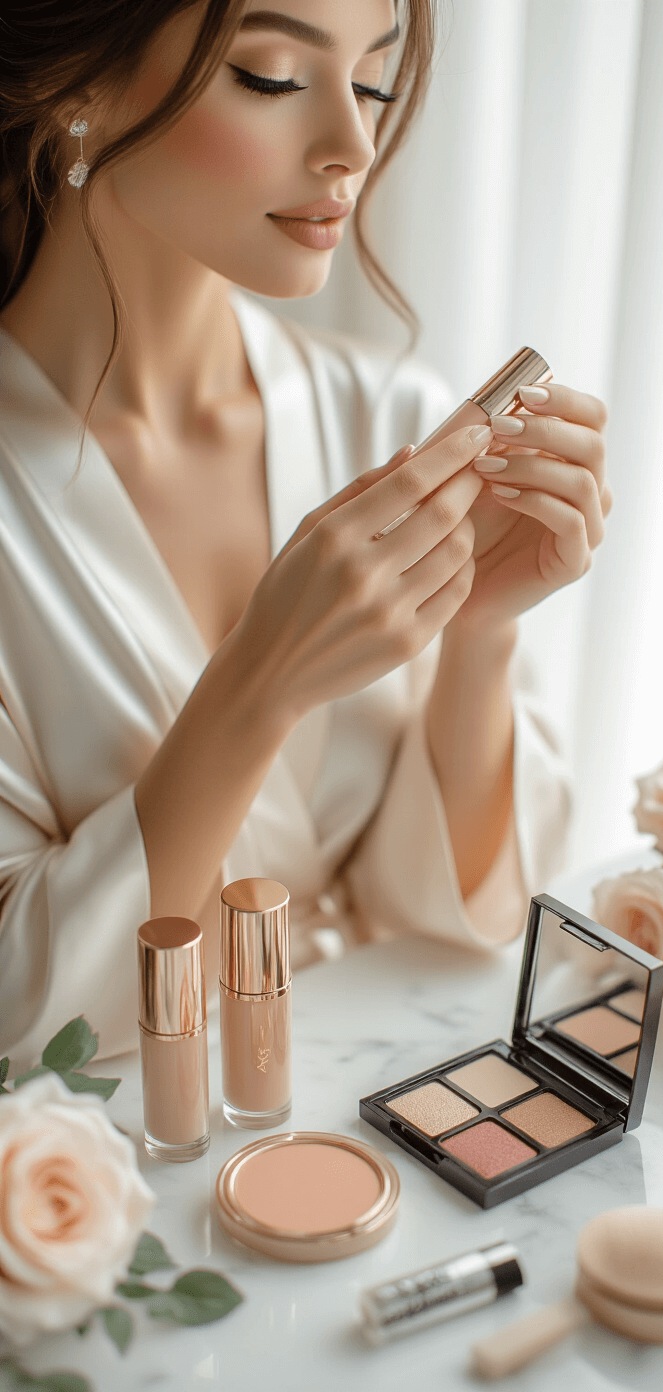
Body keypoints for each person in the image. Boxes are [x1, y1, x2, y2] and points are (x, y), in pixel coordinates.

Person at [0, 0, 610, 1065]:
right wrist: (261, 682)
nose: (353, 146)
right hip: (132, 1142)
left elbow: (459, 922)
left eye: (371, 84)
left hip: (380, 1105)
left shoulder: (387, 417)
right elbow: (22, 1013)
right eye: (274, 78)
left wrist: (478, 636)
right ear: (74, 86)